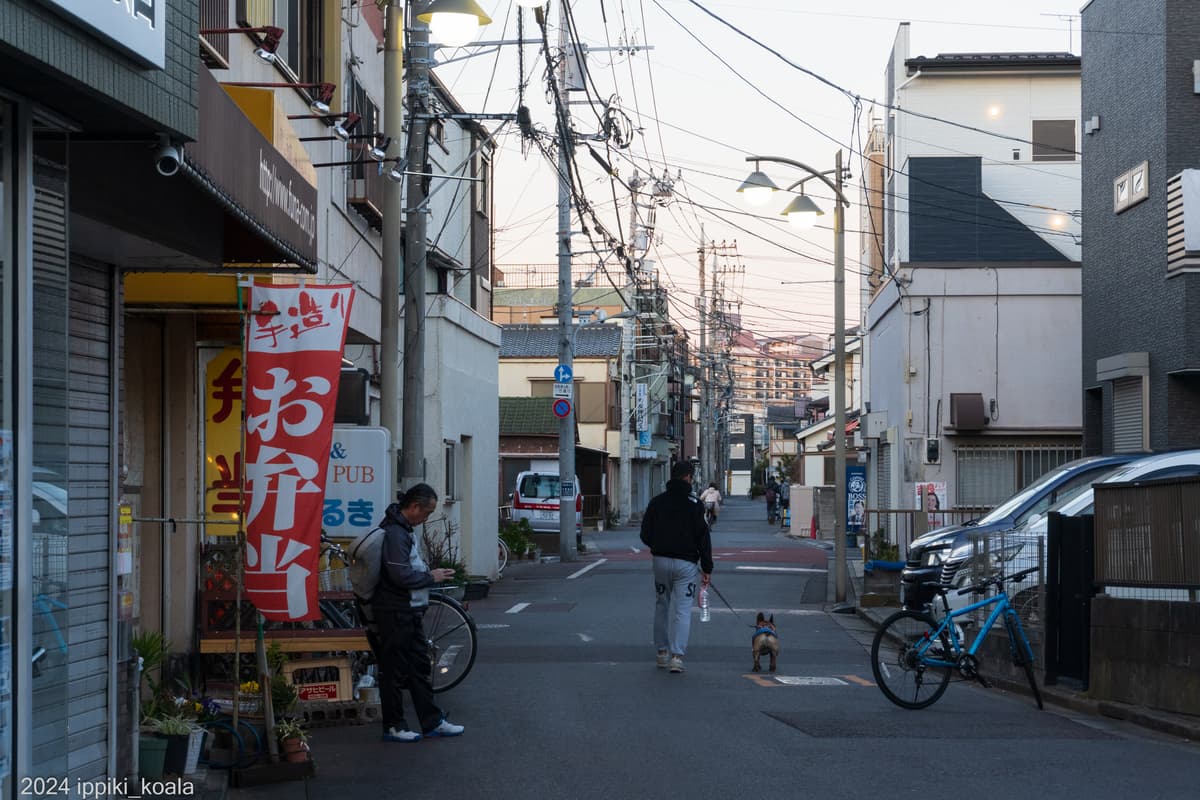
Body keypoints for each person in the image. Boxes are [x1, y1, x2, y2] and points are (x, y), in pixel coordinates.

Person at [369, 483, 464, 743]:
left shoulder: (400, 529)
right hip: (395, 609)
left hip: (406, 609)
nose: (427, 517)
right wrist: (431, 577)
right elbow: (400, 575)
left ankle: (432, 721)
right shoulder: (395, 533)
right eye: (427, 512)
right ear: (414, 507)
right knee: (395, 669)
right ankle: (394, 725)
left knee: (418, 667)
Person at [640, 461, 714, 674]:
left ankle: (661, 652)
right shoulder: (695, 504)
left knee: (661, 605)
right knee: (682, 610)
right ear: (688, 477)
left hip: (660, 561)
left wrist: (658, 546)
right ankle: (676, 657)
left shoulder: (657, 502)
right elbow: (703, 538)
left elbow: (645, 534)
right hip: (686, 564)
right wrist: (706, 567)